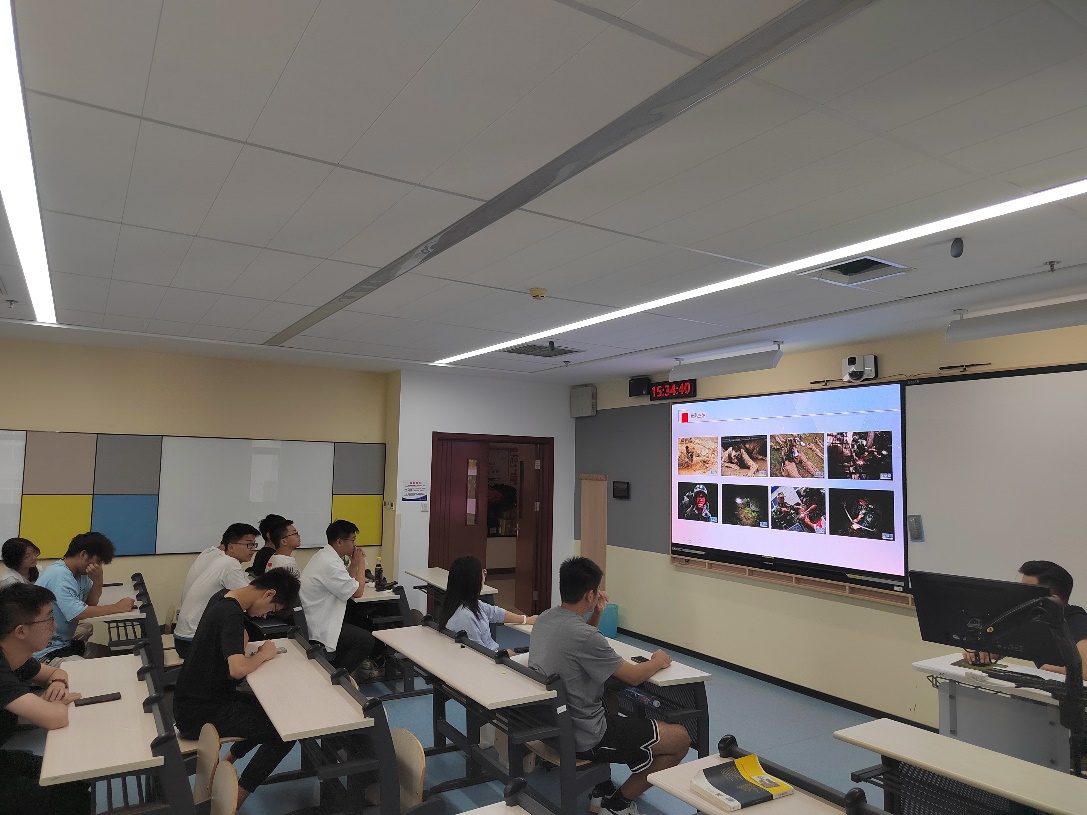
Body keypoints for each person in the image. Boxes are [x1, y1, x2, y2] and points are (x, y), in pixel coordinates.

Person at [529, 557, 690, 815]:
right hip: (585, 736)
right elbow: (634, 676)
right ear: (590, 594)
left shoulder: (545, 618)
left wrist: (596, 614)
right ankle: (618, 804)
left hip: (550, 726)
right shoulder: (586, 637)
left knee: (612, 701)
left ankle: (601, 788)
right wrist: (658, 661)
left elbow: (578, 642)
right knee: (681, 738)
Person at [172, 568, 300, 809]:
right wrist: (264, 654)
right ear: (269, 593)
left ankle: (227, 761)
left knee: (268, 711)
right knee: (286, 733)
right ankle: (234, 801)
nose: (265, 615)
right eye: (272, 609)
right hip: (201, 715)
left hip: (191, 703)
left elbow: (239, 637)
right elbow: (237, 669)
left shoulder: (223, 597)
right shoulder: (231, 614)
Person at [0, 583, 91, 815]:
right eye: (49, 619)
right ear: (21, 631)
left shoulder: (15, 656)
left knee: (74, 778)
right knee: (67, 798)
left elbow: (56, 673)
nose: (55, 625)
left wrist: (57, 684)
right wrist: (55, 703)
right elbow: (56, 718)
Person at [965, 561, 1087, 674]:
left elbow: (1085, 671)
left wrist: (1045, 669)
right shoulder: (1029, 617)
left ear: (1052, 600)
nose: (1020, 597)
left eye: (1026, 592)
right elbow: (1007, 645)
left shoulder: (1076, 620)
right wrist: (982, 652)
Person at [34, 532, 134, 663]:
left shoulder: (80, 574)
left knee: (107, 653)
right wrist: (117, 607)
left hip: (63, 643)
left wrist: (98, 582)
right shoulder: (59, 575)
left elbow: (90, 604)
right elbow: (77, 613)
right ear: (83, 555)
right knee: (87, 668)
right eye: (98, 561)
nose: (99, 566)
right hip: (44, 651)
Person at [299, 520, 379, 679]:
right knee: (366, 640)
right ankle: (336, 676)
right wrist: (361, 563)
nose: (355, 545)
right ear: (340, 541)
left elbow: (345, 582)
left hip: (319, 616)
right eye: (352, 540)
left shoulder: (324, 555)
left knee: (362, 622)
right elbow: (357, 592)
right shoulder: (329, 562)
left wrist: (354, 564)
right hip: (320, 625)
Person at [173, 523, 257, 659]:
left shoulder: (221, 559)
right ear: (231, 547)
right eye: (249, 544)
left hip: (185, 638)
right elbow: (250, 601)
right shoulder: (229, 564)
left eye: (254, 545)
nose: (253, 549)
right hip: (194, 642)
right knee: (255, 634)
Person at [439, 556, 536, 654]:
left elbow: (496, 613)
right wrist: (507, 655)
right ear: (473, 580)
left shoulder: (468, 604)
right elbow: (478, 653)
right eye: (482, 572)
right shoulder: (466, 617)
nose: (484, 575)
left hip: (493, 655)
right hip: (490, 659)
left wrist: (525, 620)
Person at [250, 513, 289, 577]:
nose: (286, 535)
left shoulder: (264, 553)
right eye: (282, 531)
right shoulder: (270, 556)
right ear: (269, 535)